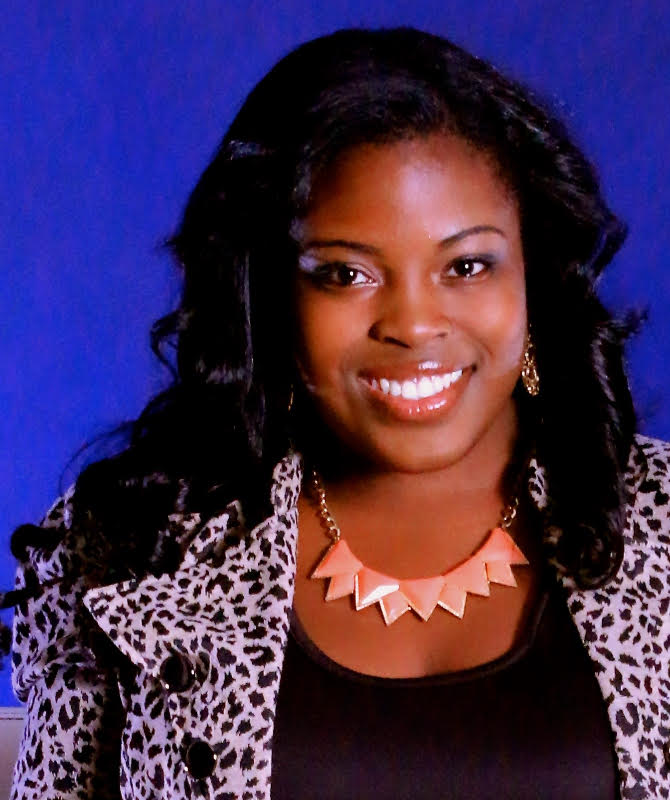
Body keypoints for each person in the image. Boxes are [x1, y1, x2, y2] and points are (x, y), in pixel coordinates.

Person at [5, 26, 669, 800]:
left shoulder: (659, 523)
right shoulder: (133, 550)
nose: (414, 325)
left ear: (532, 274)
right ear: (270, 293)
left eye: (466, 265)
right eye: (346, 275)